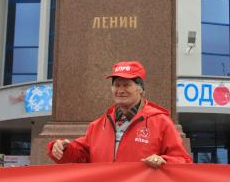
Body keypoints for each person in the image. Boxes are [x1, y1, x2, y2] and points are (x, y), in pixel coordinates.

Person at [48, 61, 192, 166]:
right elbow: (80, 157)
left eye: (126, 85)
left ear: (140, 89)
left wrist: (164, 161)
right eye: (117, 85)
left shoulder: (161, 122)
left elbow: (183, 160)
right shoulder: (97, 125)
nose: (120, 90)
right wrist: (63, 148)